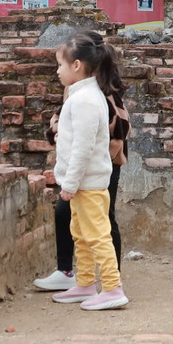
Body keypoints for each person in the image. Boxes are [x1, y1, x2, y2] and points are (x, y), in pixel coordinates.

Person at [35, 31, 128, 310]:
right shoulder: (82, 95)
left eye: (60, 65)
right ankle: (85, 284)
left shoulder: (86, 99)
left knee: (98, 235)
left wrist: (70, 184)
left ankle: (112, 288)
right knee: (82, 234)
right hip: (82, 184)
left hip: (87, 184)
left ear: (77, 65)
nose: (57, 70)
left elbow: (83, 148)